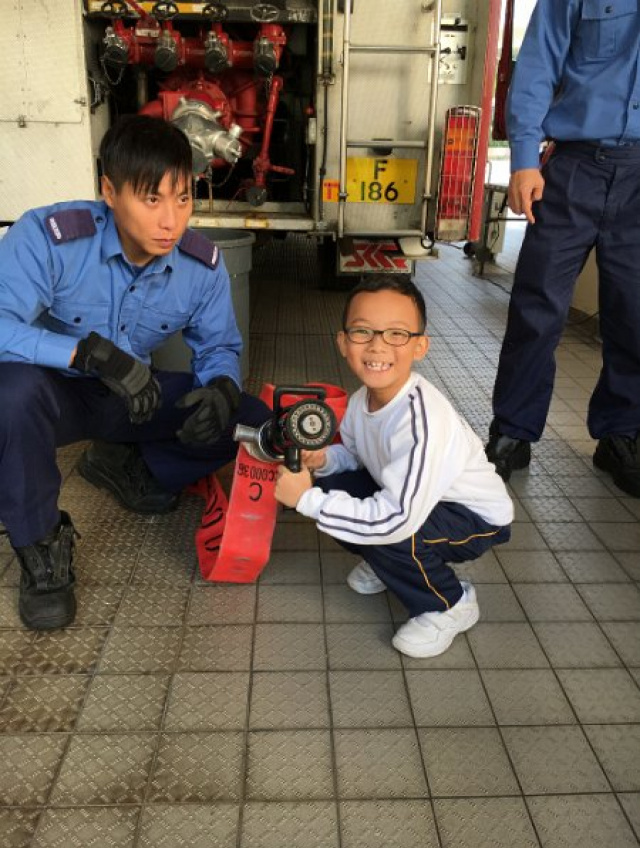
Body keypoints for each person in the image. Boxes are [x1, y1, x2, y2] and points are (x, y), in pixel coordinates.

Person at [0, 114, 269, 631]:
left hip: (130, 398)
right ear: (110, 191)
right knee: (10, 394)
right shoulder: (49, 238)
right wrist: (84, 354)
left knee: (249, 419)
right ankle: (40, 549)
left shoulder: (201, 266)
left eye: (183, 198)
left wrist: (221, 385)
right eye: (151, 199)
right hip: (50, 398)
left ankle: (127, 463)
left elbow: (218, 346)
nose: (171, 220)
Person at [274, 277, 513, 658]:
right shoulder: (360, 401)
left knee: (392, 532)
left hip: (474, 517)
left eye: (397, 334)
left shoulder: (422, 421)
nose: (377, 345)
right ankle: (389, 565)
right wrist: (323, 460)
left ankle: (448, 604)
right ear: (343, 342)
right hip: (419, 500)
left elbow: (397, 519)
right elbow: (355, 455)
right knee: (333, 483)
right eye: (362, 331)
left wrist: (305, 500)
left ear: (420, 346)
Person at [485, 1, 640, 496]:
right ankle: (513, 430)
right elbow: (538, 63)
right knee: (537, 307)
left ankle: (621, 434)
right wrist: (523, 159)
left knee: (634, 313)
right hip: (575, 167)